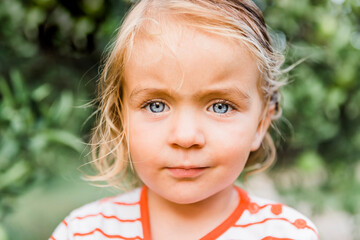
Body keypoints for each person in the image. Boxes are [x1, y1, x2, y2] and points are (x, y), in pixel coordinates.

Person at [50, 0, 318, 239]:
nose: (186, 137)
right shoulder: (82, 231)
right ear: (121, 118)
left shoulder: (286, 234)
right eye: (156, 105)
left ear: (261, 124)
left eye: (221, 107)